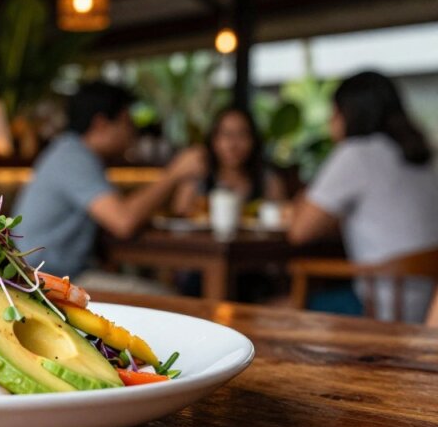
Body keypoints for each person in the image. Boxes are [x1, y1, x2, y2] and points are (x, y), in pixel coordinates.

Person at [14, 81, 205, 290]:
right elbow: (123, 221)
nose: (132, 132)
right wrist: (175, 173)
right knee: (165, 299)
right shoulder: (73, 157)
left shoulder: (72, 152)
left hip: (60, 274)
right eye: (127, 122)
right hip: (43, 280)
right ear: (101, 124)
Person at [288, 71, 438, 323]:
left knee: (275, 304)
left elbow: (299, 231)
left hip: (381, 305)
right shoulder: (418, 157)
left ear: (347, 114)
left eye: (334, 113)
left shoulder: (356, 153)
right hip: (427, 305)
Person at [172, 106, 286, 217]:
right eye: (226, 134)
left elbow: (282, 215)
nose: (233, 144)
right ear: (214, 140)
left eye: (241, 135)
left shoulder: (267, 180)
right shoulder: (199, 176)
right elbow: (180, 212)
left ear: (253, 141)